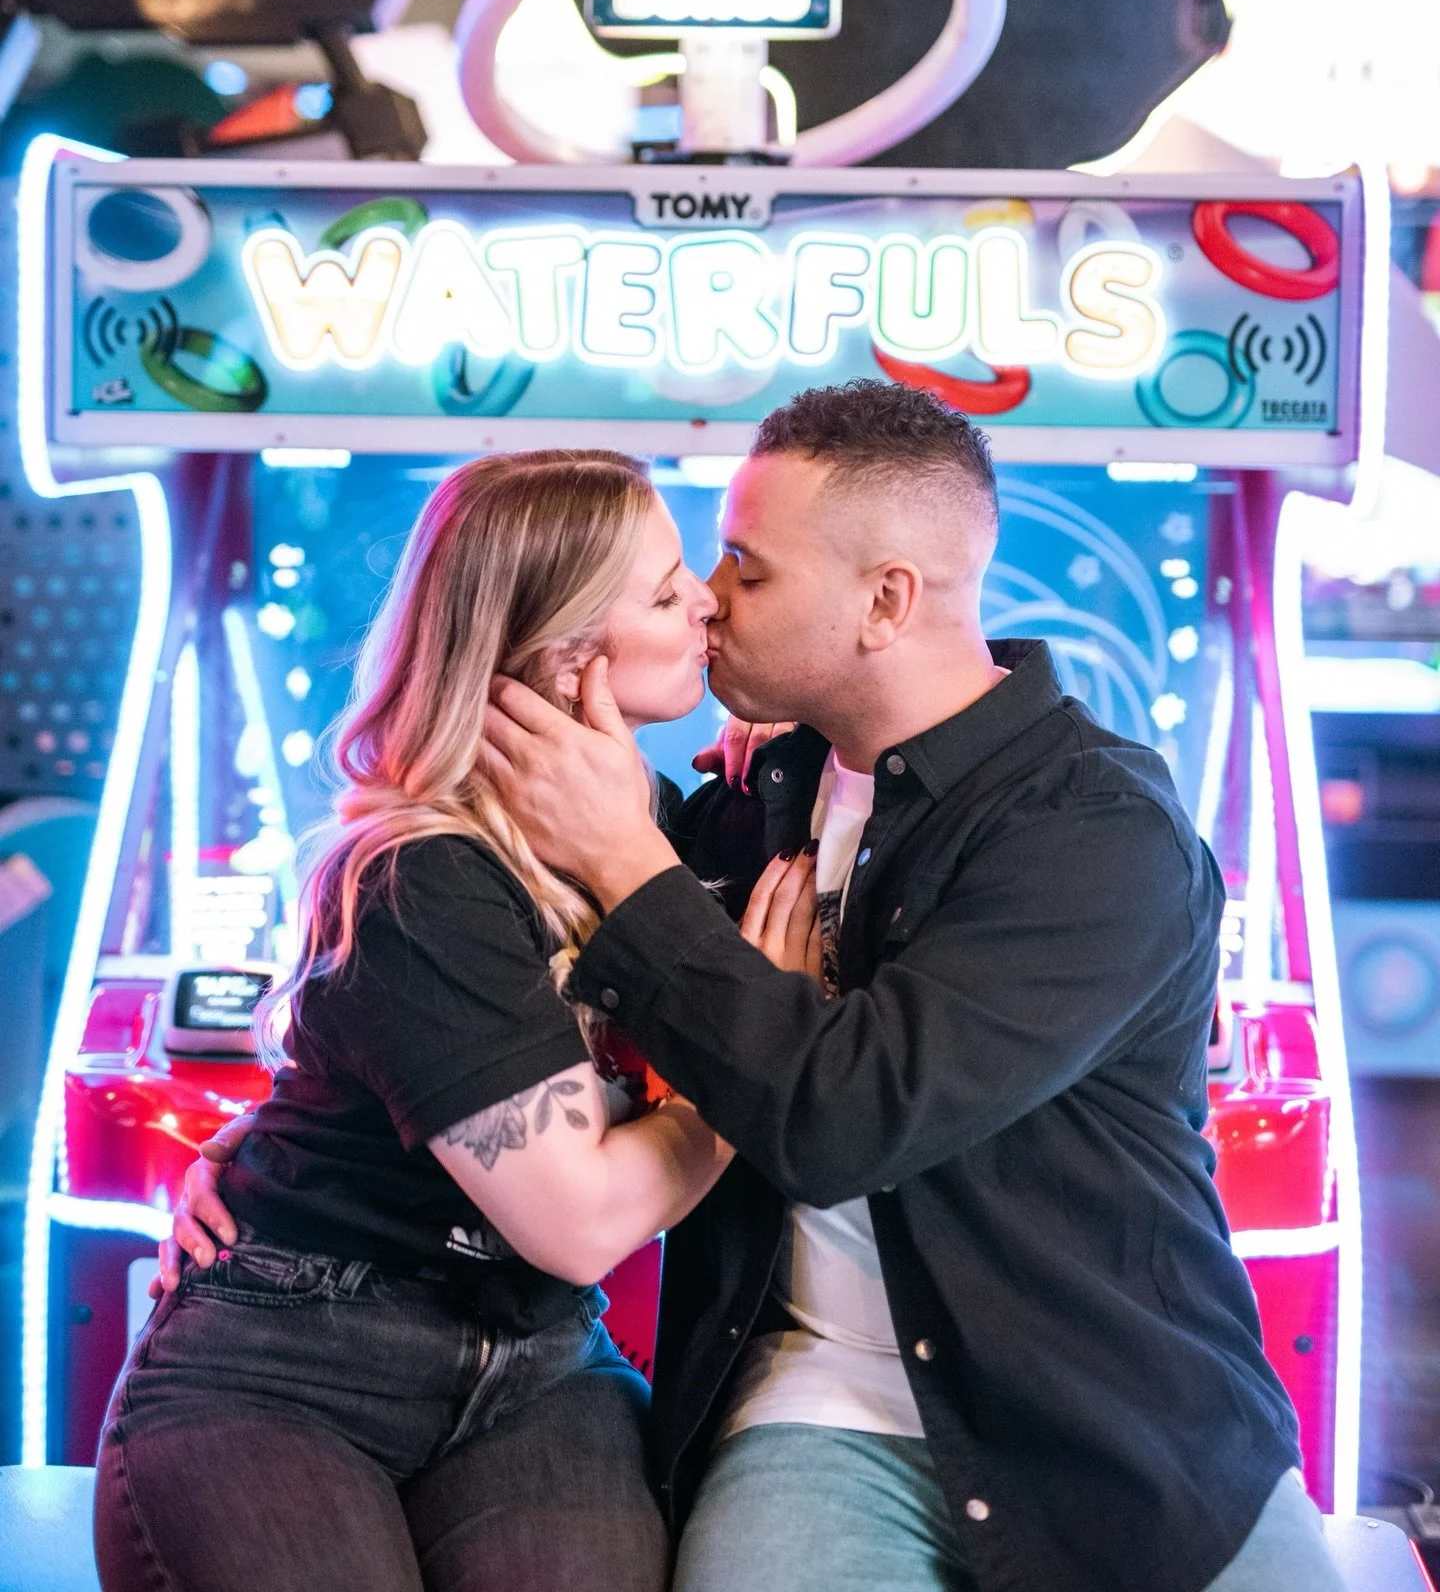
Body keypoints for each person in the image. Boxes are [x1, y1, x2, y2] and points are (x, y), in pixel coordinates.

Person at [477, 381, 1347, 1592]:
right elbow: (456, 970)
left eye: (748, 568)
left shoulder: (1096, 831)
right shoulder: (752, 803)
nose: (708, 598)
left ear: (885, 602)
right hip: (817, 1404)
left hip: (1118, 1426)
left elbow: (847, 1120)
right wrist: (258, 1173)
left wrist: (631, 867)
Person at [95, 450, 737, 1592]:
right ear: (565, 659)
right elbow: (582, 1222)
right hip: (292, 1354)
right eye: (664, 589)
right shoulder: (422, 875)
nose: (708, 602)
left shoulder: (668, 831)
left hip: (538, 1357)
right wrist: (744, 1084)